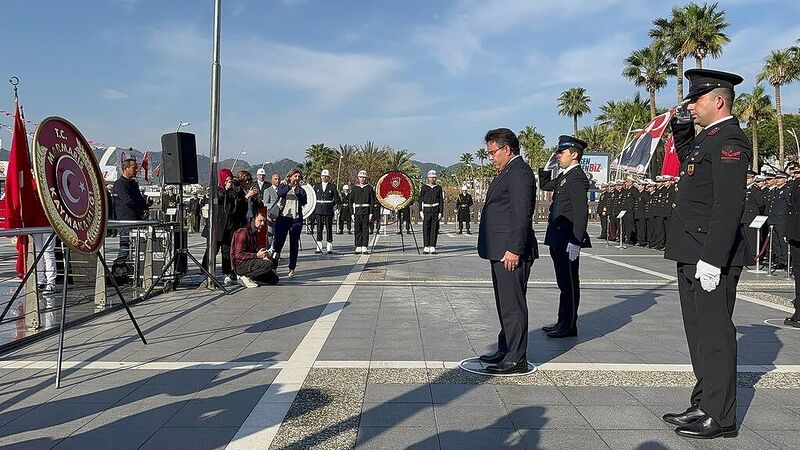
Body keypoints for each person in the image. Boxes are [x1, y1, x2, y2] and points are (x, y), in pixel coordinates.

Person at [662, 68, 750, 439]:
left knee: (715, 335)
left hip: (710, 253)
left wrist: (714, 258)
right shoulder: (707, 139)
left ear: (718, 100)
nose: (690, 105)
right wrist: (681, 128)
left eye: (695, 99)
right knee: (698, 334)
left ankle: (722, 415)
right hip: (690, 250)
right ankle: (704, 402)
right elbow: (689, 162)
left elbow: (728, 206)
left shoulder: (731, 139)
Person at [477, 128, 538, 374]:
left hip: (510, 252)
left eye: (493, 153)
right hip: (499, 250)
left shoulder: (519, 173)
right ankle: (506, 348)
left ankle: (516, 358)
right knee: (505, 303)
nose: (491, 157)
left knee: (513, 305)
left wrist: (513, 249)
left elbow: (522, 214)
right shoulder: (508, 172)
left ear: (507, 149)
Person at [538, 135, 591, 338]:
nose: (558, 155)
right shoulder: (565, 175)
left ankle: (569, 325)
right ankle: (562, 321)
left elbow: (580, 212)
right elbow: (544, 186)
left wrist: (576, 241)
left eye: (562, 152)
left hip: (568, 239)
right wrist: (547, 165)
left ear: (574, 154)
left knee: (569, 283)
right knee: (563, 283)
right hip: (558, 237)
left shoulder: (577, 177)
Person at [202, 168, 242, 285]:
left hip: (229, 227)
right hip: (216, 227)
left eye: (231, 179)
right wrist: (226, 188)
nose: (230, 182)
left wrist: (238, 190)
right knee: (212, 250)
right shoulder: (217, 190)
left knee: (227, 251)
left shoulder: (233, 192)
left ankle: (227, 273)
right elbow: (219, 197)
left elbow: (239, 202)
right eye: (227, 180)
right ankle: (206, 271)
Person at [112, 158, 149, 264]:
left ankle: (131, 269)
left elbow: (139, 199)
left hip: (137, 220)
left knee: (136, 248)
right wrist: (140, 211)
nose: (136, 170)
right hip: (125, 220)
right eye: (134, 168)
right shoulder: (119, 184)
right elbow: (128, 201)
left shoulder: (133, 184)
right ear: (126, 168)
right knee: (125, 247)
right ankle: (120, 268)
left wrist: (146, 208)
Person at [231, 207, 279, 287]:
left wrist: (264, 255)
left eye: (264, 221)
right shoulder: (243, 232)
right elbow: (238, 255)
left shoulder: (255, 232)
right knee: (269, 264)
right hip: (240, 265)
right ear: (254, 219)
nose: (263, 223)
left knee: (274, 279)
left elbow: (254, 250)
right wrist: (256, 256)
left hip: (250, 261)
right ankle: (243, 276)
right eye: (260, 221)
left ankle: (251, 277)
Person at [273, 168, 307, 277]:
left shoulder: (301, 190)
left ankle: (292, 267)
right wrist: (289, 186)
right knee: (278, 243)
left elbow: (304, 201)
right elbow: (280, 193)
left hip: (296, 219)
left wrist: (297, 191)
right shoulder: (283, 186)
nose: (297, 179)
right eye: (295, 176)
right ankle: (273, 266)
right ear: (290, 176)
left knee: (294, 244)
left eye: (298, 177)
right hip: (283, 218)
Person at [785, 164, 800, 327]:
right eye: (794, 172)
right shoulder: (795, 184)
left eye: (798, 172)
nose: (795, 175)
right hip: (796, 235)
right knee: (798, 272)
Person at [313, 169, 341, 254]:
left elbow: (337, 199)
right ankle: (319, 246)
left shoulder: (332, 187)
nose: (325, 177)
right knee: (319, 228)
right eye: (323, 176)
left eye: (326, 176)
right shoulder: (316, 186)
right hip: (318, 210)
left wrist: (337, 208)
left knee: (329, 228)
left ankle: (329, 245)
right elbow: (313, 198)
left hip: (328, 210)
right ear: (321, 177)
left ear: (329, 177)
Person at [419, 170, 444, 254]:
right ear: (428, 178)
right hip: (426, 210)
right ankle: (426, 246)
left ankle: (432, 246)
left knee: (434, 228)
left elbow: (441, 200)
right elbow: (420, 200)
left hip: (435, 210)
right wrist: (420, 211)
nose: (432, 179)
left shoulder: (438, 188)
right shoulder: (424, 188)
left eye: (434, 177)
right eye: (431, 177)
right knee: (426, 228)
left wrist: (440, 212)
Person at [351, 170, 374, 254]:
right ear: (358, 178)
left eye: (364, 177)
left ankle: (364, 246)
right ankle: (358, 246)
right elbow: (351, 201)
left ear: (366, 178)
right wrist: (351, 213)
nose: (362, 179)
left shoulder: (369, 188)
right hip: (357, 211)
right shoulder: (354, 188)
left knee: (365, 229)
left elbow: (372, 201)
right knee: (357, 229)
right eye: (361, 177)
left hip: (366, 211)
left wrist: (371, 212)